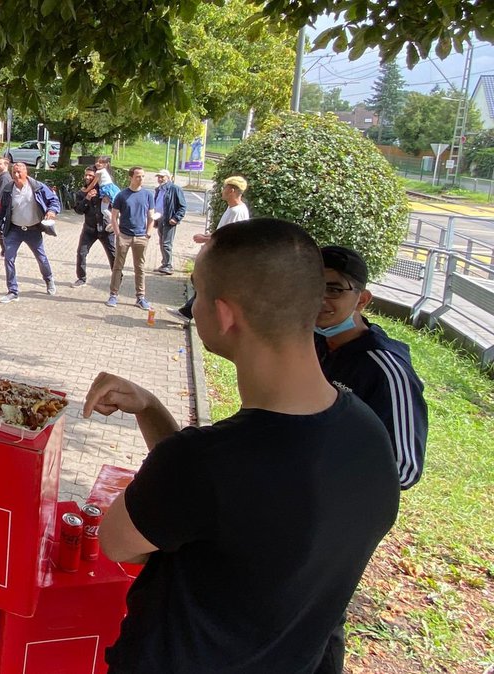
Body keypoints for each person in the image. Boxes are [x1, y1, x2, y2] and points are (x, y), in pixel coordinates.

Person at [83, 218, 400, 673]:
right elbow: (225, 506)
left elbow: (119, 543)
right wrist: (149, 406)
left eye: (196, 292)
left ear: (225, 314)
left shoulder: (204, 462)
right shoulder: (368, 436)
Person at [313, 245, 429, 673]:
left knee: (322, 614)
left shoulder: (385, 367)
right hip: (302, 503)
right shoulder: (313, 343)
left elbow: (405, 466)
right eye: (311, 288)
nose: (320, 301)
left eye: (333, 290)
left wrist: (327, 474)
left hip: (344, 517)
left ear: (361, 299)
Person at [173, 175, 250, 322]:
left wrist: (205, 239)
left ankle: (196, 314)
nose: (222, 191)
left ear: (232, 190)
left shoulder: (237, 212)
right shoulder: (232, 208)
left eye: (225, 188)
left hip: (225, 259)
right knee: (203, 283)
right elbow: (223, 231)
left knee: (206, 284)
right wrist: (208, 235)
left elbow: (228, 238)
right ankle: (188, 312)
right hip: (220, 256)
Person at [0, 162, 61, 303]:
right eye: (14, 173)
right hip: (14, 229)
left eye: (19, 172)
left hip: (33, 229)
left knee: (41, 257)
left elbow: (53, 200)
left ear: (26, 173)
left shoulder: (37, 187)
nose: (16, 175)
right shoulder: (8, 189)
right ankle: (13, 291)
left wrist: (52, 210)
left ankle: (49, 280)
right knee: (9, 258)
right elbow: (1, 211)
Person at [107, 166, 159, 311]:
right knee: (118, 266)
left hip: (141, 236)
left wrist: (148, 233)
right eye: (138, 176)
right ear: (131, 177)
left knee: (140, 268)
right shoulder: (122, 195)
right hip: (124, 235)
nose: (141, 179)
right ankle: (113, 294)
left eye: (142, 176)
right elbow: (114, 216)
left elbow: (151, 216)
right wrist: (117, 233)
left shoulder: (147, 195)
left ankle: (140, 297)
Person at [73, 165, 116, 286]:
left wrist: (109, 200)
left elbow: (117, 203)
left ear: (97, 177)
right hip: (89, 229)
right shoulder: (82, 192)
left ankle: (118, 276)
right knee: (81, 253)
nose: (87, 177)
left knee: (113, 254)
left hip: (106, 229)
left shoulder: (105, 189)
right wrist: (86, 198)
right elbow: (78, 210)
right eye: (86, 175)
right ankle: (81, 278)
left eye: (91, 176)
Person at [153, 169, 186, 275]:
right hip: (159, 218)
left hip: (169, 220)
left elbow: (182, 206)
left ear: (168, 177)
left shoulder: (174, 189)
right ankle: (164, 264)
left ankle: (168, 266)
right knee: (162, 242)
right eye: (158, 177)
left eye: (162, 177)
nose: (160, 179)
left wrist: (176, 218)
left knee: (167, 243)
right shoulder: (158, 189)